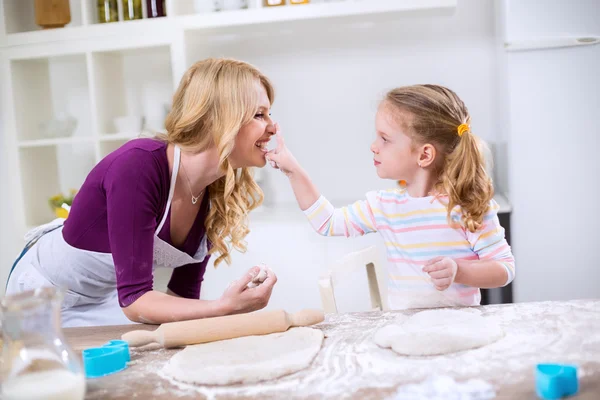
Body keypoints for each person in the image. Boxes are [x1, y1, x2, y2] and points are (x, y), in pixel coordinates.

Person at [6, 58, 279, 327]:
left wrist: (225, 309)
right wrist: (224, 307)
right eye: (259, 114)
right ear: (219, 118)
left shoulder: (215, 196)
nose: (273, 127)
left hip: (110, 299)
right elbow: (136, 299)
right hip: (43, 295)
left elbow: (182, 296)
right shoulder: (138, 166)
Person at [266, 84, 515, 310]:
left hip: (460, 336)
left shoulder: (468, 206)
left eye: (384, 139)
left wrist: (460, 270)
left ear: (424, 155)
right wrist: (293, 170)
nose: (373, 146)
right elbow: (328, 222)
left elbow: (504, 268)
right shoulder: (384, 206)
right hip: (406, 334)